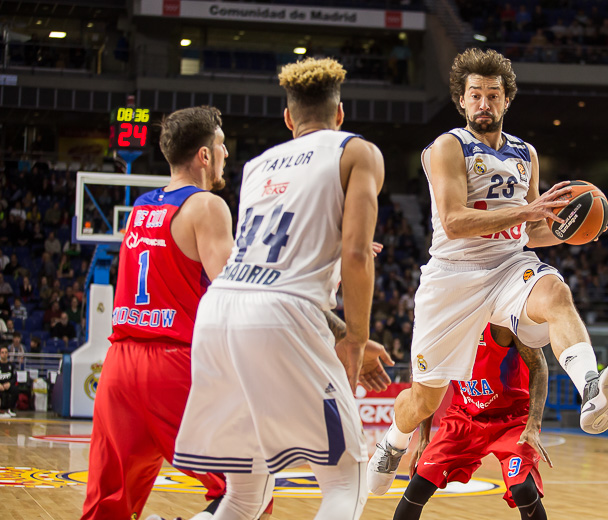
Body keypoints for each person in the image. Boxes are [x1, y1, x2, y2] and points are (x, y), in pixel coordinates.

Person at [368, 48, 608, 495]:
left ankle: (592, 391)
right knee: (424, 399)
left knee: (557, 295)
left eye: (493, 95)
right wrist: (527, 211)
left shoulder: (524, 153)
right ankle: (393, 441)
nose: (484, 103)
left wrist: (574, 232)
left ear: (506, 100)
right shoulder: (447, 147)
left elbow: (532, 230)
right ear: (461, 100)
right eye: (475, 94)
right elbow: (454, 221)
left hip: (510, 265)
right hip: (453, 275)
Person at [174, 58, 385, 520]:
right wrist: (354, 337)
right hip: (281, 315)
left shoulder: (256, 166)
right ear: (340, 113)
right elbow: (356, 254)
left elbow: (277, 267)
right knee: (347, 481)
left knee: (245, 495)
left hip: (220, 310)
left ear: (289, 118)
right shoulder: (357, 152)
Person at [81, 106, 233, 520]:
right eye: (221, 145)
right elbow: (233, 293)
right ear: (204, 155)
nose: (225, 154)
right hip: (173, 365)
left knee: (107, 508)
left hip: (119, 366)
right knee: (247, 492)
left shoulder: (140, 208)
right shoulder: (207, 206)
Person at [395, 324, 551, 520]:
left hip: (512, 417)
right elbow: (428, 382)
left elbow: (539, 366)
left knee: (523, 489)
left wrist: (533, 424)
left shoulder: (501, 324)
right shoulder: (443, 327)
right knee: (419, 482)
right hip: (464, 417)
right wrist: (423, 439)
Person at [0, 345, 17, 418]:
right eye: (2, 352)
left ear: (8, 354)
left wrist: (9, 383)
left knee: (15, 389)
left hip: (8, 385)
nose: (4, 354)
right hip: (0, 385)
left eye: (6, 352)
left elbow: (14, 377)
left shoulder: (11, 365)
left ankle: (11, 409)